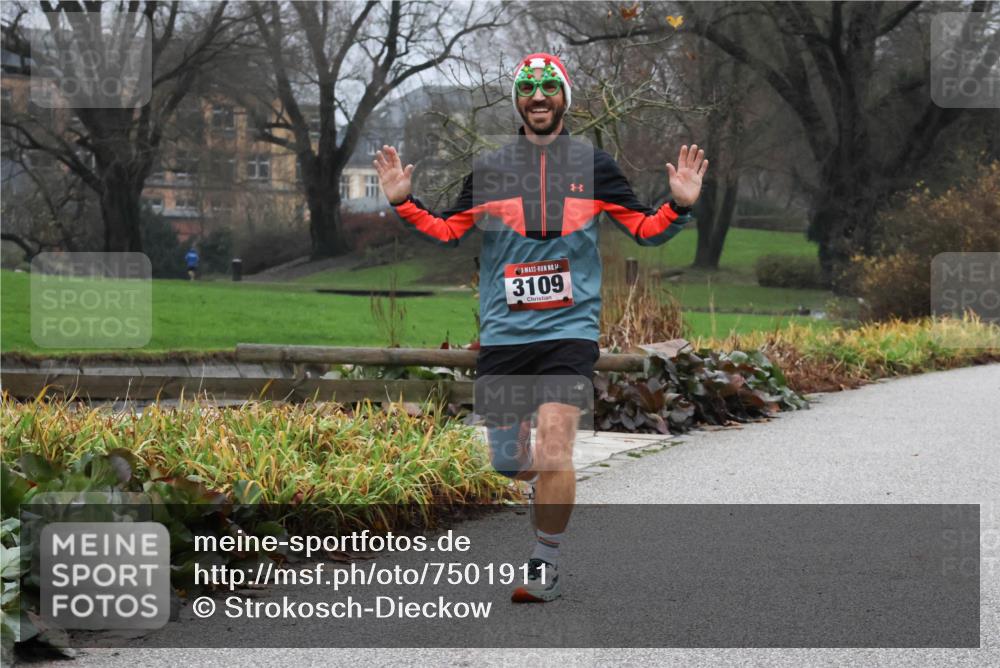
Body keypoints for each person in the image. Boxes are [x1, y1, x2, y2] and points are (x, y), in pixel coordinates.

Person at [374, 52, 707, 603]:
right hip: (505, 336)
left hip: (568, 335)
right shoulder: (491, 169)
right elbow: (447, 231)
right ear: (518, 102)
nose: (538, 95)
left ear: (564, 99)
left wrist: (678, 204)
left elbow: (646, 230)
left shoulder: (595, 166)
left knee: (555, 451)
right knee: (508, 462)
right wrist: (404, 203)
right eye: (528, 87)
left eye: (549, 86)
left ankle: (544, 563)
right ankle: (547, 487)